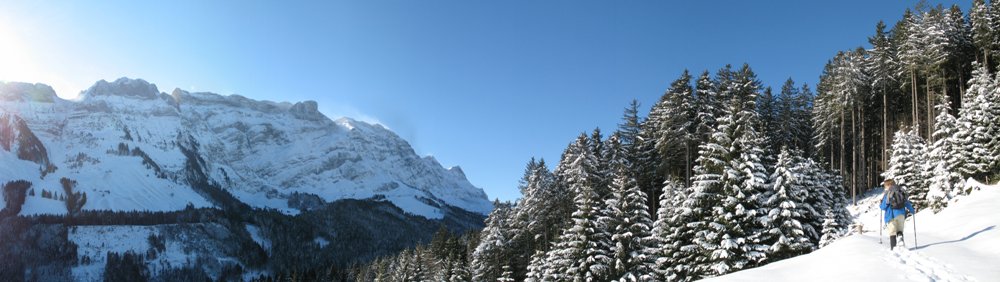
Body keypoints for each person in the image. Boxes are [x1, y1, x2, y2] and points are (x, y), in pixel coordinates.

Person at [879, 179, 915, 250]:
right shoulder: (900, 191)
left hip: (891, 216)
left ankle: (893, 248)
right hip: (901, 214)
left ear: (888, 185)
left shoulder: (888, 194)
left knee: (892, 232)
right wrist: (912, 210)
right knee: (900, 230)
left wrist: (880, 204)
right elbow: (906, 202)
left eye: (885, 186)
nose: (885, 187)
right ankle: (901, 242)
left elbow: (883, 207)